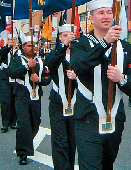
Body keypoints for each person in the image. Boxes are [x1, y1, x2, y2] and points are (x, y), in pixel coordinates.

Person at [70, 0, 131, 169]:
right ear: (91, 18)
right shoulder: (80, 44)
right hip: (87, 117)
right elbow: (80, 66)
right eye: (100, 12)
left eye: (109, 12)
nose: (106, 16)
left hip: (115, 118)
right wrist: (105, 43)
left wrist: (121, 79)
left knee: (107, 165)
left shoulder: (124, 47)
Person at [8, 33, 51, 166]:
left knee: (35, 122)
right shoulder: (17, 60)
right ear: (23, 47)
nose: (31, 48)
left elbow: (47, 78)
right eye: (28, 46)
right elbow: (11, 73)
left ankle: (25, 141)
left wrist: (39, 80)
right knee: (24, 123)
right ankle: (23, 152)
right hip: (22, 95)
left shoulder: (41, 61)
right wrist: (27, 66)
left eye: (33, 45)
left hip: (36, 96)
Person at [45, 24, 78, 170]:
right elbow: (50, 64)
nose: (69, 38)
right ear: (60, 37)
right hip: (58, 101)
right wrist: (64, 46)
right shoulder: (55, 53)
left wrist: (76, 77)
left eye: (71, 36)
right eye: (65, 35)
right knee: (60, 140)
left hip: (76, 102)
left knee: (72, 141)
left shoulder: (79, 54)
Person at [0, 38, 18, 133]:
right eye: (10, 39)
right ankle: (5, 123)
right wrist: (8, 46)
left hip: (15, 78)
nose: (12, 41)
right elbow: (1, 54)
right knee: (5, 101)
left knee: (14, 100)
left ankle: (13, 122)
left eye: (14, 39)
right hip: (5, 77)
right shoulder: (4, 50)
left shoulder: (19, 51)